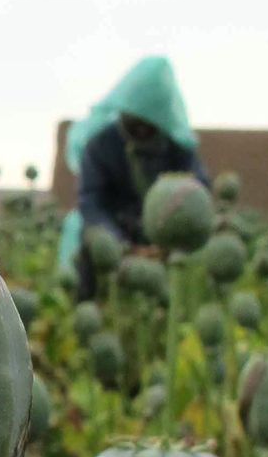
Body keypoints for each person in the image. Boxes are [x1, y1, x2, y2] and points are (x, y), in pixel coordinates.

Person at [58, 56, 210, 298]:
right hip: (115, 229)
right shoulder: (100, 146)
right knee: (89, 243)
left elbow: (199, 189)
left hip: (166, 234)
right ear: (124, 111)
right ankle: (90, 305)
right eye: (134, 122)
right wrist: (118, 244)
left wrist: (167, 240)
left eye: (148, 124)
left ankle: (172, 311)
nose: (140, 130)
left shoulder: (176, 147)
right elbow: (91, 202)